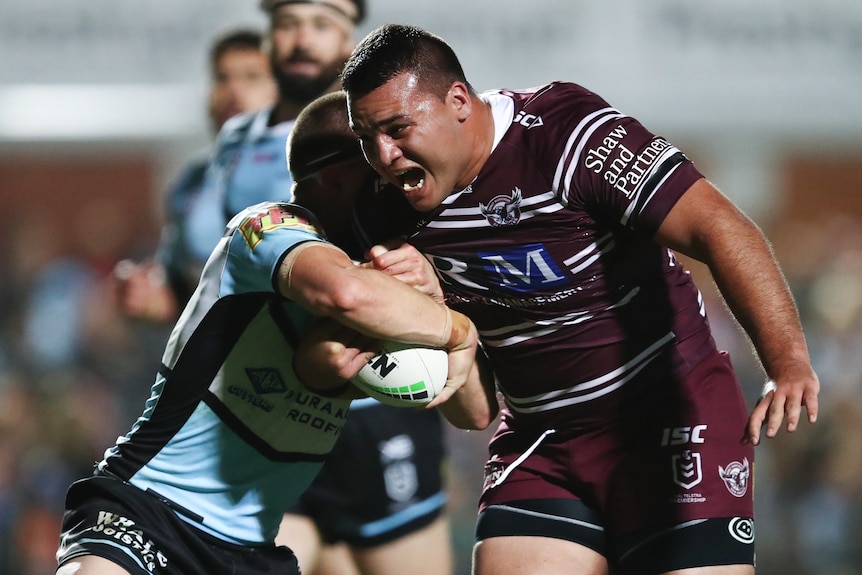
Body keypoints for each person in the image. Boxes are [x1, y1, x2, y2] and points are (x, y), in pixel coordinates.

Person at [339, 23, 821, 575]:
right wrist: (427, 316)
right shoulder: (382, 212)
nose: (384, 155)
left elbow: (720, 227)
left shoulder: (569, 135)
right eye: (366, 137)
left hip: (666, 415)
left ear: (457, 102)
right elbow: (474, 411)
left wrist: (787, 363)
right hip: (539, 437)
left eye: (398, 128)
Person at [54, 184, 497, 574]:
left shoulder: (398, 270)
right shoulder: (268, 229)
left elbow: (476, 411)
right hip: (150, 511)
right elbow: (345, 297)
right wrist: (454, 329)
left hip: (250, 550)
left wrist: (437, 300)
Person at [202, 3, 462, 574]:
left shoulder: (402, 151)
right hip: (272, 406)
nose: (301, 39)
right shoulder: (236, 146)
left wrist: (446, 316)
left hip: (382, 413)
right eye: (289, 23)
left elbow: (474, 402)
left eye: (320, 24)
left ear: (348, 42)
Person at [114, 28, 276, 323]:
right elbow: (181, 294)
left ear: (279, 88)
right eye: (222, 78)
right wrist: (148, 298)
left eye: (252, 76)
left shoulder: (303, 168)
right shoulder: (192, 181)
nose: (234, 91)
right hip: (221, 360)